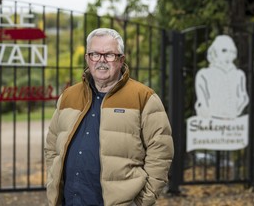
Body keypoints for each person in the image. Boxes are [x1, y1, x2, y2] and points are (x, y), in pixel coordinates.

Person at [44, 28, 174, 206]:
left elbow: (161, 153)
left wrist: (143, 200)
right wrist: (53, 182)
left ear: (121, 59)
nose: (101, 60)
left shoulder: (144, 98)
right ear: (87, 58)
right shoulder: (68, 96)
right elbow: (52, 147)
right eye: (95, 54)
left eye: (109, 55)